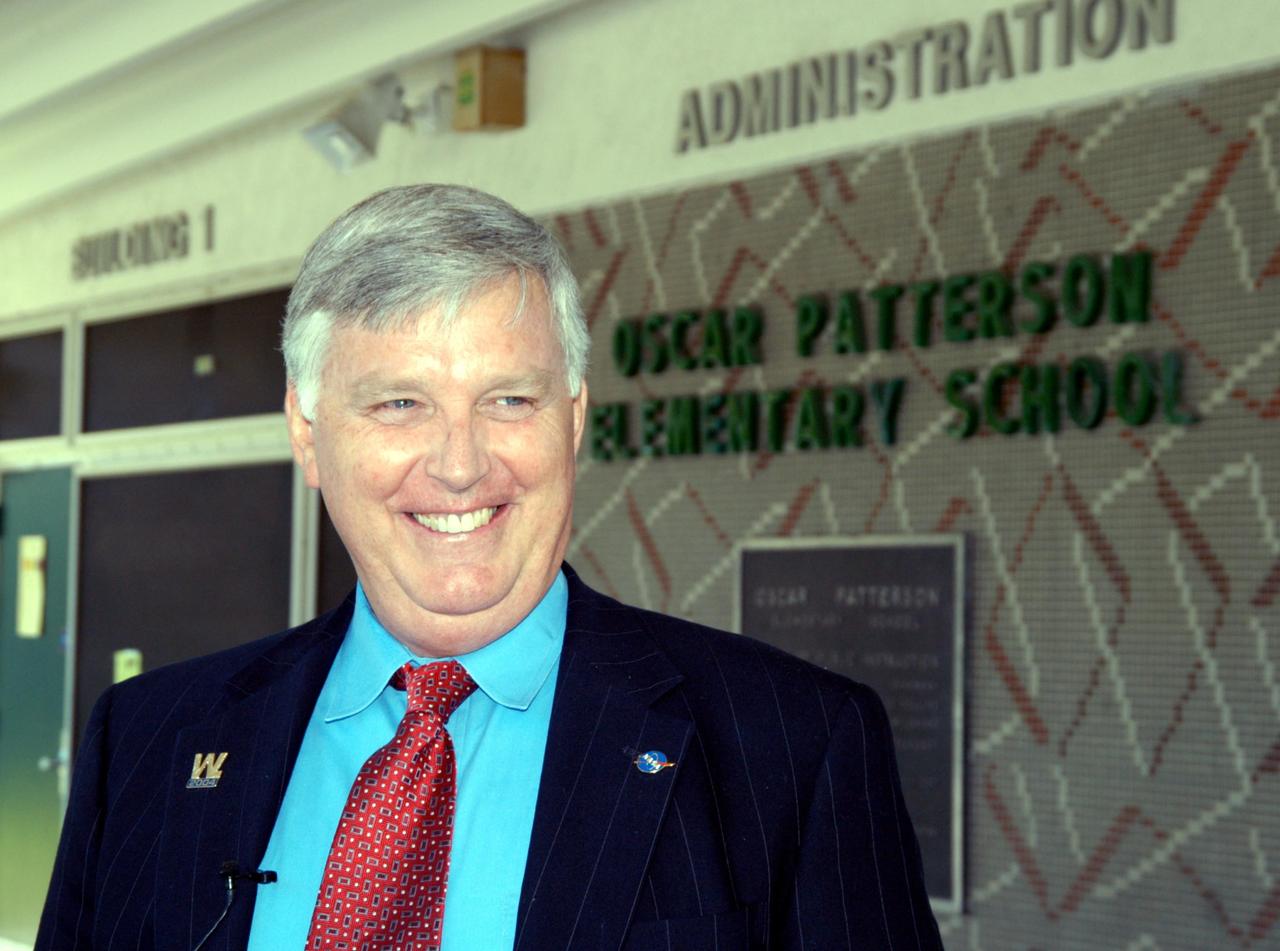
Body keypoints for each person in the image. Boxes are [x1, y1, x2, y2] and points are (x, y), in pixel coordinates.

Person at [36, 185, 943, 950]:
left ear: (575, 416)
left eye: (509, 398)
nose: (461, 464)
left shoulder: (794, 747)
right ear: (308, 434)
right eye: (400, 403)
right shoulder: (146, 744)